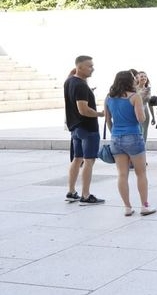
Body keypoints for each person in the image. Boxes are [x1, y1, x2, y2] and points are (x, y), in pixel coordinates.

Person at [104, 71, 156, 216]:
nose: (135, 80)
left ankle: (127, 207)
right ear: (129, 81)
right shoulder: (135, 97)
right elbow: (141, 119)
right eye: (133, 78)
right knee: (141, 173)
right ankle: (145, 206)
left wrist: (114, 132)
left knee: (122, 174)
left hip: (115, 138)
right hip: (133, 136)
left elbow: (108, 119)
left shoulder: (109, 97)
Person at [64, 55, 105, 205]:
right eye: (89, 66)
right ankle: (85, 195)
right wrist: (100, 114)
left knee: (77, 158)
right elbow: (83, 109)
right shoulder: (80, 85)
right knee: (89, 160)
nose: (92, 68)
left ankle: (71, 191)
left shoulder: (69, 81)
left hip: (75, 128)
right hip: (87, 128)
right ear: (79, 67)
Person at [135, 71, 156, 143]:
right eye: (141, 76)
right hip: (136, 111)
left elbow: (150, 103)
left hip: (145, 110)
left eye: (145, 76)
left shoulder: (148, 89)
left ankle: (143, 148)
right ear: (137, 78)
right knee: (137, 130)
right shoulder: (134, 89)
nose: (144, 78)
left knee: (144, 131)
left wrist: (153, 116)